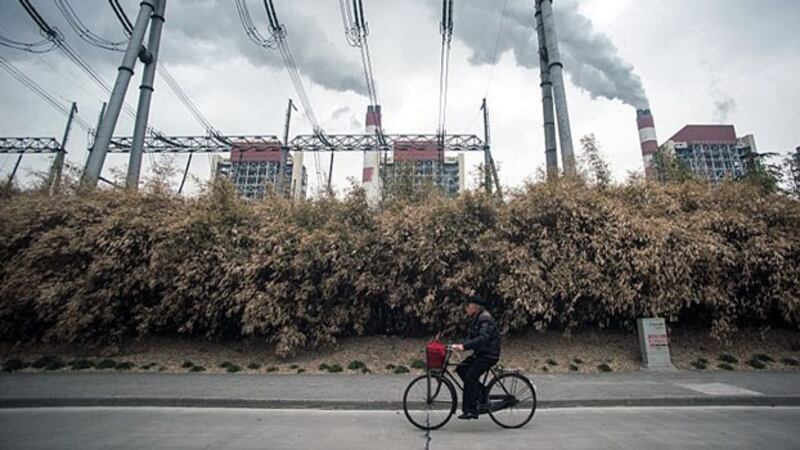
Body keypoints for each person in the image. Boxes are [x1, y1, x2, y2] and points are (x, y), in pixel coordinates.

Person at [451, 295, 501, 420]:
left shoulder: (485, 319)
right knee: (461, 369)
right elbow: (472, 338)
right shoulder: (477, 318)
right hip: (481, 353)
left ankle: (471, 410)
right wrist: (458, 344)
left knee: (470, 377)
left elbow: (483, 338)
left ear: (474, 306)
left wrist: (464, 346)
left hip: (489, 355)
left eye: (467, 306)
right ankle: (482, 392)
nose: (466, 309)